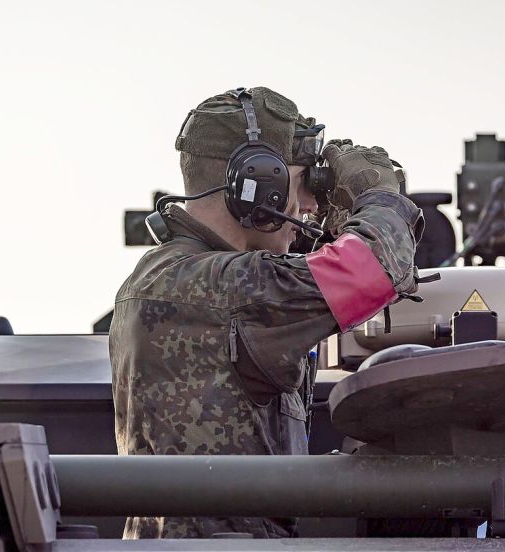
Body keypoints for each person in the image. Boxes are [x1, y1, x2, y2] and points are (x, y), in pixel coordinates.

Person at [110, 87, 424, 539]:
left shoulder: (174, 274)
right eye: (303, 186)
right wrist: (379, 196)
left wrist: (334, 228)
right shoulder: (217, 286)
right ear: (259, 184)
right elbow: (370, 271)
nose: (310, 207)